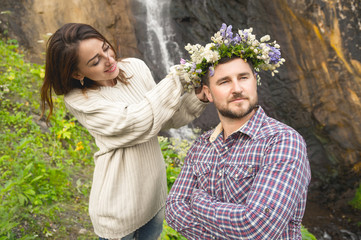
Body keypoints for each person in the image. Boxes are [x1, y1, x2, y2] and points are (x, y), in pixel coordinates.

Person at [40, 23, 208, 240]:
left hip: (154, 195)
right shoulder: (80, 100)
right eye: (95, 61)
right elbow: (134, 121)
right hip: (118, 208)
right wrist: (177, 78)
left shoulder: (135, 67)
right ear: (76, 72)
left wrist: (198, 98)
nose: (109, 59)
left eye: (106, 48)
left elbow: (162, 118)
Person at [165, 24, 311, 239]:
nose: (237, 89)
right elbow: (174, 210)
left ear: (255, 81)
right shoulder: (201, 146)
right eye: (224, 82)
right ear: (208, 93)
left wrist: (199, 203)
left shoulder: (283, 141)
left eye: (243, 77)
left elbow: (257, 228)